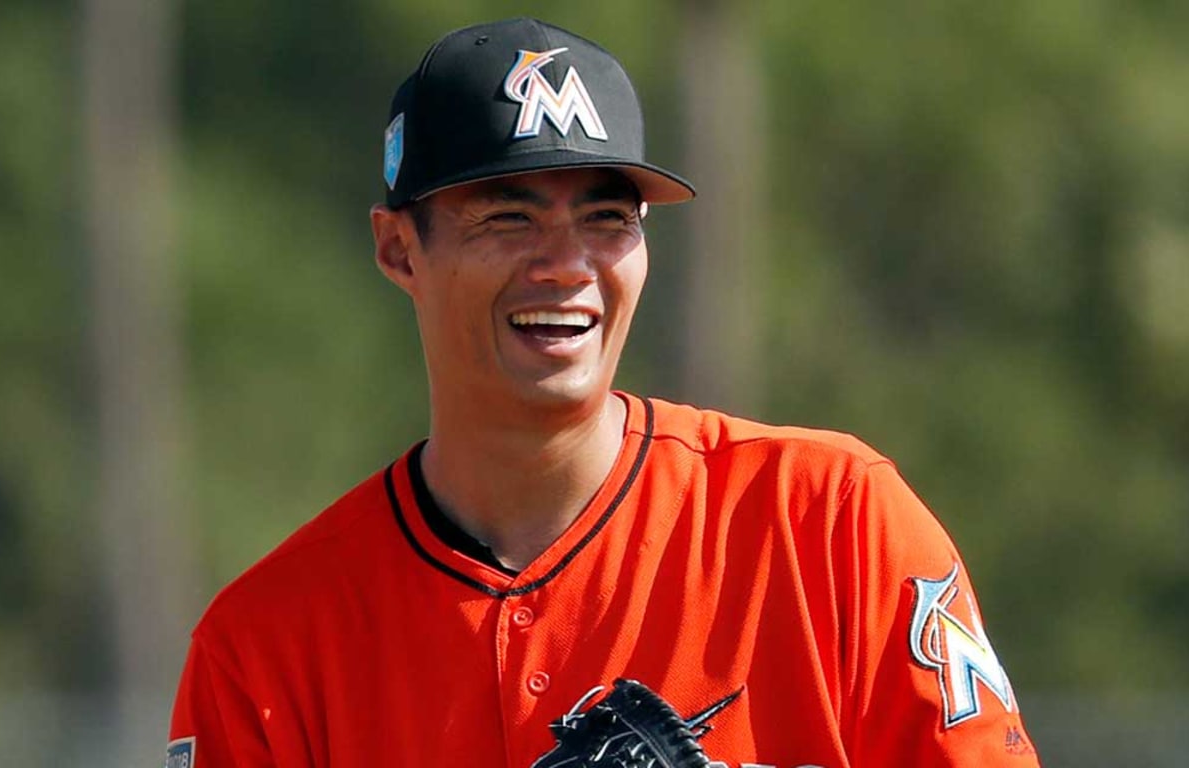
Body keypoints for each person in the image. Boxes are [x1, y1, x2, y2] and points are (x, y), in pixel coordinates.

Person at [168, 17, 1041, 768]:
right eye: (508, 217)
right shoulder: (268, 647)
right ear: (401, 251)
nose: (567, 267)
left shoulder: (830, 521)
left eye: (607, 218)